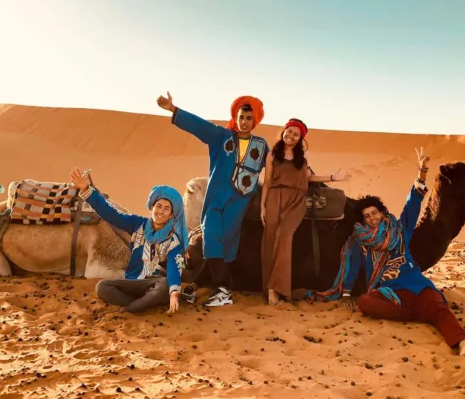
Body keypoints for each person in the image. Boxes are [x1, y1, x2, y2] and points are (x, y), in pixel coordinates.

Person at [309, 148, 465, 357]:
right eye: (367, 216)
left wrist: (421, 174)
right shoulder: (360, 241)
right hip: (387, 291)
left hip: (413, 282)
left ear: (382, 213)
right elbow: (353, 266)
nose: (372, 218)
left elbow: (412, 203)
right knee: (366, 302)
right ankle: (420, 313)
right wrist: (347, 292)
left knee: (439, 308)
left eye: (374, 213)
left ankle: (463, 342)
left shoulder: (399, 228)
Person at [157, 91, 269, 307]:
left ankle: (210, 288)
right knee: (210, 235)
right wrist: (173, 109)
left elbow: (279, 163)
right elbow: (199, 125)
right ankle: (223, 288)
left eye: (249, 118)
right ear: (236, 118)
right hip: (216, 197)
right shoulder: (221, 136)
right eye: (241, 117)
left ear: (254, 120)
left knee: (227, 241)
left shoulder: (261, 145)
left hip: (239, 201)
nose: (244, 122)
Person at [69, 168, 189, 315]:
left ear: (171, 215)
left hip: (154, 284)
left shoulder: (174, 240)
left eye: (166, 209)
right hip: (134, 283)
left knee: (165, 284)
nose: (160, 212)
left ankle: (129, 309)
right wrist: (87, 189)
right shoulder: (138, 224)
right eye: (158, 206)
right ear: (151, 207)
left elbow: (174, 267)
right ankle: (143, 304)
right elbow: (111, 214)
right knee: (102, 287)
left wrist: (174, 293)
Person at [261, 118, 351, 305]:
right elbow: (268, 182)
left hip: (296, 201)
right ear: (283, 132)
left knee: (283, 236)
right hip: (275, 198)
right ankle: (271, 289)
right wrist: (263, 205)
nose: (291, 136)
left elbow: (309, 178)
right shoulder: (272, 155)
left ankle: (278, 287)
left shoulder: (301, 157)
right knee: (270, 240)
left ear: (300, 138)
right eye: (289, 131)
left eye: (296, 134)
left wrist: (333, 177)